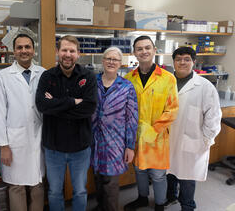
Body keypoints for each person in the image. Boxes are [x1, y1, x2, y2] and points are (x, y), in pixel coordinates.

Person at [35, 35, 97, 211]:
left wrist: (55, 104)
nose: (67, 54)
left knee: (80, 191)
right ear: (57, 52)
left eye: (72, 51)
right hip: (54, 148)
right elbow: (41, 105)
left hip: (80, 147)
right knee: (54, 191)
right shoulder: (47, 76)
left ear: (78, 54)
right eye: (64, 50)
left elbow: (89, 108)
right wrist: (73, 102)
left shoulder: (88, 77)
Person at [123, 35, 179, 211]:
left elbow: (172, 109)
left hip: (157, 135)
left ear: (155, 50)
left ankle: (160, 204)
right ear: (134, 53)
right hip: (136, 134)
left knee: (158, 174)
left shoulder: (168, 78)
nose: (144, 51)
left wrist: (154, 130)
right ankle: (142, 198)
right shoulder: (128, 78)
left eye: (147, 47)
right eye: (139, 49)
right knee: (139, 169)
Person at [165, 47, 222, 211]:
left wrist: (206, 139)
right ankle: (171, 197)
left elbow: (213, 117)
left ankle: (187, 206)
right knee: (169, 172)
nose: (182, 62)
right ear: (173, 62)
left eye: (187, 59)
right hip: (168, 139)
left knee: (187, 178)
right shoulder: (167, 82)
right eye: (178, 59)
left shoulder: (204, 86)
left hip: (192, 140)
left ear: (193, 62)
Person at [0, 34, 46, 211]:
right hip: (14, 139)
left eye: (27, 47)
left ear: (33, 50)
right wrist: (3, 146)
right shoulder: (3, 76)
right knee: (16, 186)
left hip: (39, 137)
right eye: (19, 47)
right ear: (13, 51)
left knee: (38, 184)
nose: (24, 51)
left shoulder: (43, 73)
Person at [91, 46, 138, 211]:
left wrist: (130, 146)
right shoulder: (92, 82)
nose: (111, 62)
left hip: (115, 142)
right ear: (103, 61)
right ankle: (100, 206)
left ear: (120, 63)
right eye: (108, 58)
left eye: (115, 59)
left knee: (111, 182)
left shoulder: (126, 86)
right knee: (97, 178)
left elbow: (132, 118)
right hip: (94, 140)